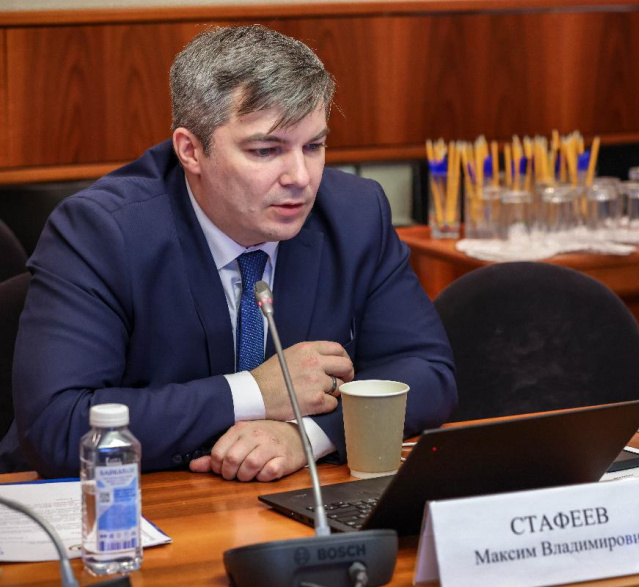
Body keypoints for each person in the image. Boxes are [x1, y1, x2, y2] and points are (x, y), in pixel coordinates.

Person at [0, 25, 456, 481]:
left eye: (314, 146)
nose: (300, 177)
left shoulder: (355, 213)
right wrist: (255, 393)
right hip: (127, 499)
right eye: (266, 150)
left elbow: (429, 373)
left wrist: (305, 435)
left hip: (287, 496)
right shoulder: (101, 232)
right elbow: (57, 425)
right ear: (191, 151)